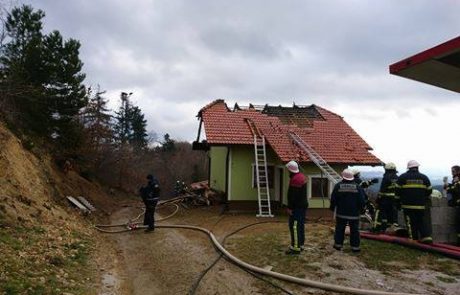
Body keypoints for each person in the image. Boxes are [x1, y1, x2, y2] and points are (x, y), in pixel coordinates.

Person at [396, 160, 433, 243]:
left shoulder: (402, 177)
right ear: (417, 167)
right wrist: (423, 196)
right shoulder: (424, 177)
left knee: (410, 223)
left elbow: (397, 192)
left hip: (407, 205)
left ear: (408, 168)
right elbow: (429, 190)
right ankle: (426, 236)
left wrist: (397, 203)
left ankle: (413, 239)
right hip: (420, 205)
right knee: (421, 221)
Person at [330, 169, 366, 253]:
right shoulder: (357, 187)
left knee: (339, 229)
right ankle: (355, 247)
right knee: (354, 231)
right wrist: (362, 209)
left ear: (343, 176)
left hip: (341, 214)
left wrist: (332, 207)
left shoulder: (338, 186)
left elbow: (333, 199)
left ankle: (338, 245)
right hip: (354, 214)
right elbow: (361, 200)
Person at [285, 160, 308, 255]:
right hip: (302, 206)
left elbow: (293, 196)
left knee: (294, 227)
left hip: (296, 208)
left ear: (290, 170)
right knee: (300, 226)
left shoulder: (296, 179)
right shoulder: (301, 176)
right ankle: (300, 244)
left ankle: (295, 248)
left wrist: (290, 208)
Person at [374, 162, 399, 232]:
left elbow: (382, 189)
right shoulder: (397, 177)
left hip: (385, 199)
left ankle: (378, 228)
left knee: (381, 213)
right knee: (392, 214)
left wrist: (378, 199)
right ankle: (391, 229)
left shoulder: (386, 177)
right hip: (394, 199)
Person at [445, 165, 460, 245]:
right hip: (457, 204)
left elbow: (457, 190)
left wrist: (448, 188)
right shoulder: (455, 179)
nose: (452, 173)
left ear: (458, 171)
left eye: (453, 171)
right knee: (457, 223)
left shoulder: (458, 179)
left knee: (458, 223)